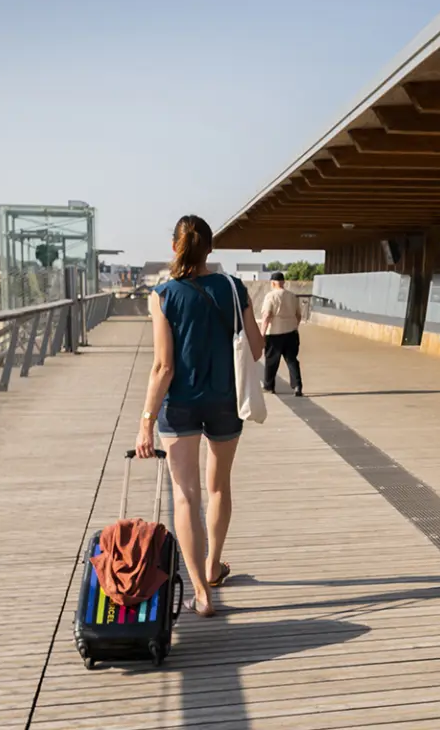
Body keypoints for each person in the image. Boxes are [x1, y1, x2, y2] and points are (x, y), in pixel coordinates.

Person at [136, 215, 263, 617]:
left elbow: (163, 367)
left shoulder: (163, 295)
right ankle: (213, 567)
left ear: (175, 247)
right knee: (219, 486)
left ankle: (201, 594)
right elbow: (256, 349)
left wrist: (144, 422)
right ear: (210, 248)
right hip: (226, 400)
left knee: (186, 495)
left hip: (180, 405)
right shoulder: (232, 287)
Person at [258, 271, 304, 396]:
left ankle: (269, 386)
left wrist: (262, 332)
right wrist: (294, 326)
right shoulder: (293, 296)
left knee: (271, 361)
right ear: (283, 282)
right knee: (292, 360)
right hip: (291, 332)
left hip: (274, 333)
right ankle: (297, 386)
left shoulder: (270, 296)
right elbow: (299, 315)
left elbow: (267, 315)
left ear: (272, 283)